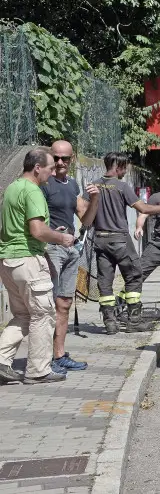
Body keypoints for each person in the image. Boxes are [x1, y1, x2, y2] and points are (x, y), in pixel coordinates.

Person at [0, 148, 74, 385]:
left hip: (9, 261)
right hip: (29, 260)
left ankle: (1, 360)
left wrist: (53, 233)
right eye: (51, 168)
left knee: (22, 315)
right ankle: (39, 370)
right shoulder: (33, 191)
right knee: (43, 315)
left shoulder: (13, 188)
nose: (53, 173)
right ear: (37, 168)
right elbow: (37, 231)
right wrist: (61, 238)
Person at [90, 152, 160, 334]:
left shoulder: (93, 185)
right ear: (118, 166)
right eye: (124, 167)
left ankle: (109, 323)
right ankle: (134, 321)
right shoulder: (121, 186)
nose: (126, 171)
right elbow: (142, 208)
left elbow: (83, 208)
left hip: (100, 239)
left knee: (105, 281)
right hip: (119, 238)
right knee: (134, 274)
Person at [42, 140, 99, 373]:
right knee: (47, 305)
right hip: (51, 248)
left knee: (64, 303)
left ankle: (60, 355)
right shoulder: (43, 183)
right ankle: (43, 359)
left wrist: (95, 199)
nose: (59, 163)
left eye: (64, 159)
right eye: (56, 158)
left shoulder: (72, 184)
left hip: (71, 249)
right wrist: (53, 235)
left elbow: (86, 220)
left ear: (72, 159)